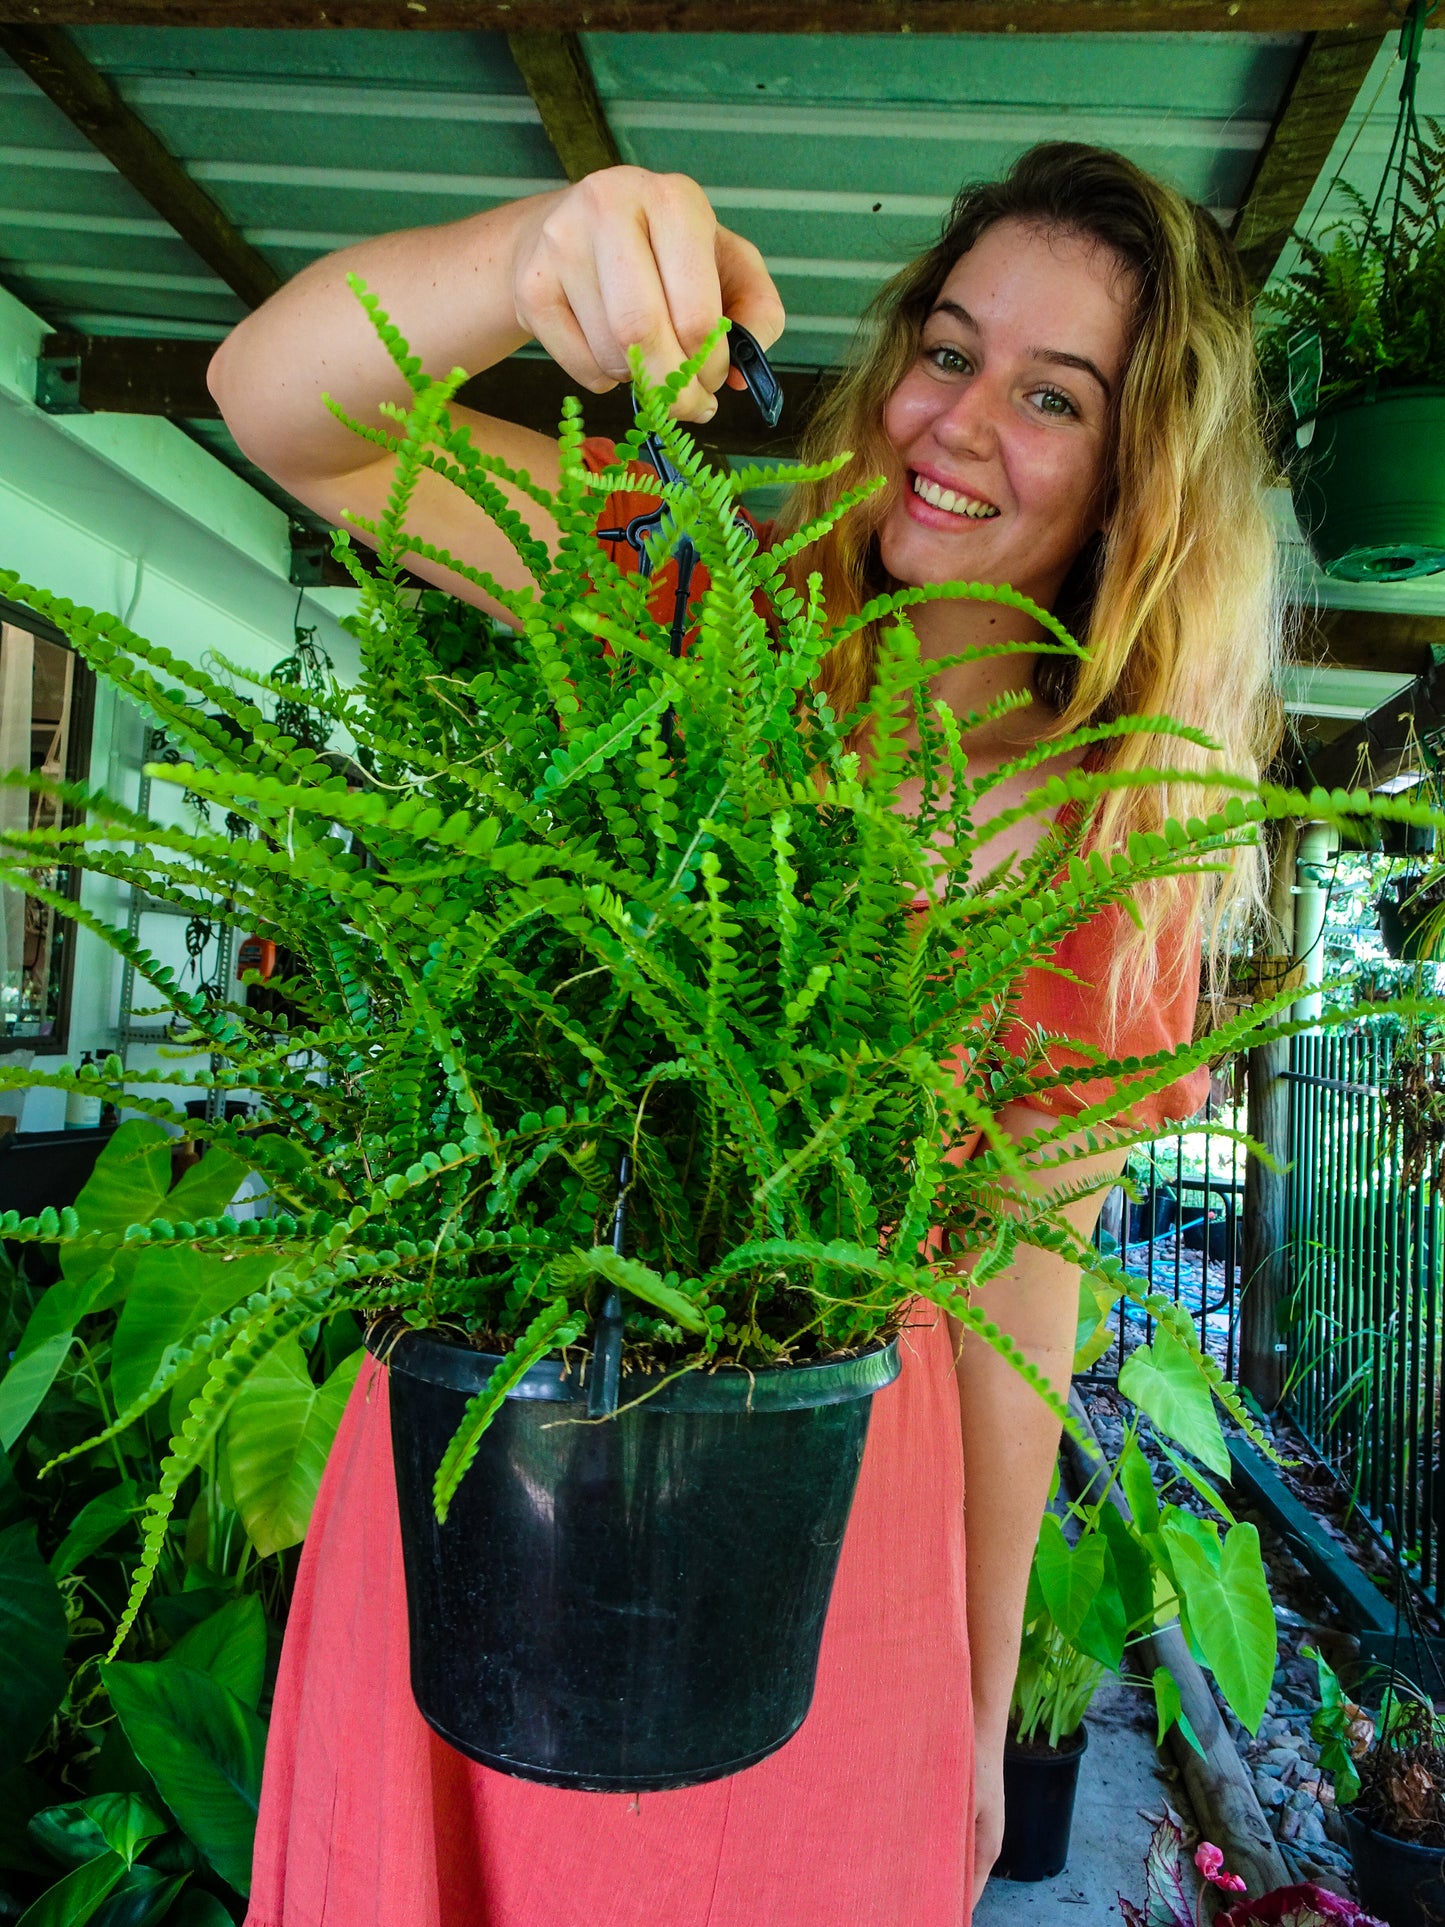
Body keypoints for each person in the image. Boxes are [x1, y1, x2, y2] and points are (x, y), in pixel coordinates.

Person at [210, 141, 1279, 1927]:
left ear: (1133, 479)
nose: (958, 424)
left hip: (828, 1536)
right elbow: (285, 405)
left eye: (1049, 397)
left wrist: (962, 1707)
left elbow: (1020, 1310)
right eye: (946, 352)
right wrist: (529, 255)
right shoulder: (710, 594)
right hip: (518, 1460)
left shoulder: (1110, 860)